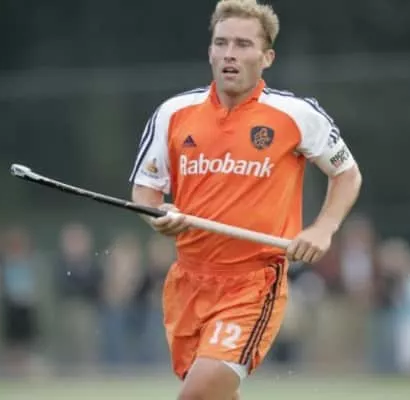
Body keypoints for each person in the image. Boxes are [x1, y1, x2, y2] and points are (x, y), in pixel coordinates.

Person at [130, 0, 362, 398]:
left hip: (252, 284)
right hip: (188, 280)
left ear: (267, 57)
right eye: (221, 43)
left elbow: (347, 174)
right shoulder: (173, 113)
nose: (229, 54)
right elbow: (145, 190)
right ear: (209, 51)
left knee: (198, 394)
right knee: (215, 394)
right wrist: (157, 213)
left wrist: (323, 228)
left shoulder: (296, 114)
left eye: (242, 44)